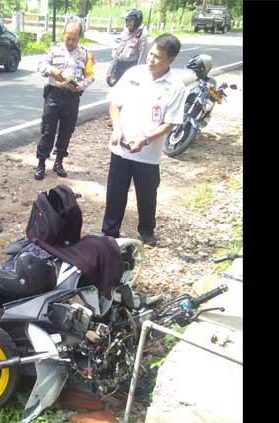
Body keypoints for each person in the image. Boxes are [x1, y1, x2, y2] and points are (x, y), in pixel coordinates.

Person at [101, 34, 186, 247]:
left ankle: (146, 231)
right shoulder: (133, 74)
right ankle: (110, 232)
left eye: (157, 57)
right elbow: (114, 103)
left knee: (147, 194)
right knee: (115, 192)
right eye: (150, 54)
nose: (151, 59)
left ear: (171, 60)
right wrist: (117, 128)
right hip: (121, 148)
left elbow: (170, 122)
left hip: (148, 154)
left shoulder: (176, 86)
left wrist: (145, 140)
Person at [34, 21, 95, 180]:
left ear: (79, 37)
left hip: (72, 97)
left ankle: (59, 162)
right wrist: (52, 71)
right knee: (47, 130)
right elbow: (41, 65)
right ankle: (41, 163)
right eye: (68, 38)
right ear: (64, 35)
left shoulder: (85, 54)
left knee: (66, 131)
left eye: (74, 39)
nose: (70, 42)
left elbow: (90, 76)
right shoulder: (54, 50)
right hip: (53, 95)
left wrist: (79, 86)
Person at [106, 9, 148, 87]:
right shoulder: (124, 34)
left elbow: (142, 59)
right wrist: (110, 70)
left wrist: (137, 77)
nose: (127, 23)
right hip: (119, 70)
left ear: (137, 21)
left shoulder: (141, 37)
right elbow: (116, 54)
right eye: (126, 21)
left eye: (130, 21)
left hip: (131, 70)